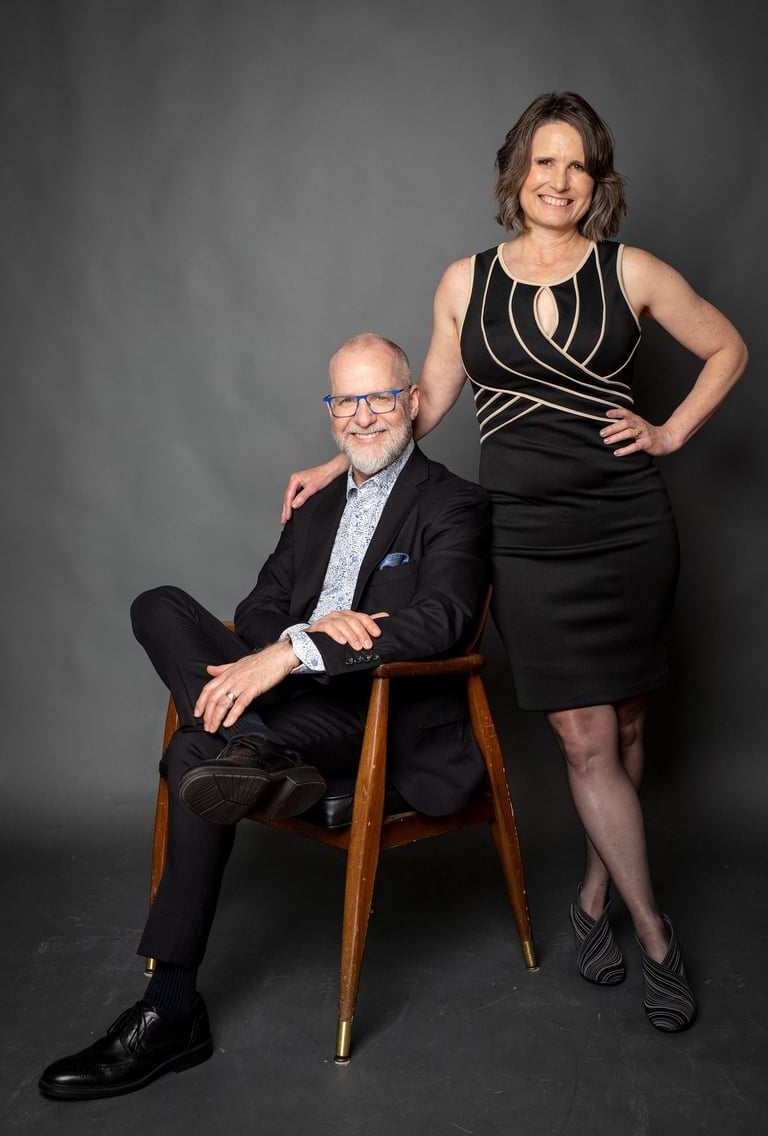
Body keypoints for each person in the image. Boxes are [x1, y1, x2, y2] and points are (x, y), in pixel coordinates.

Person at [281, 94, 748, 1032]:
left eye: (577, 164)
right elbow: (428, 400)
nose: (558, 181)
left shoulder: (630, 270)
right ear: (516, 173)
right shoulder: (466, 281)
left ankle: (593, 898)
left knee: (626, 721)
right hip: (527, 535)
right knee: (582, 737)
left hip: (628, 526)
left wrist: (667, 433)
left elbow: (727, 347)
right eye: (544, 161)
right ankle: (657, 934)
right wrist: (341, 460)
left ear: (596, 180)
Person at [39, 333, 491, 1100]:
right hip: (286, 704)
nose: (361, 416)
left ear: (412, 401)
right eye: (344, 400)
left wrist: (307, 648)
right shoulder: (313, 509)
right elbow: (258, 609)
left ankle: (169, 1009)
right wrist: (294, 640)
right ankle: (251, 752)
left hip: (372, 716)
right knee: (159, 605)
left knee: (193, 750)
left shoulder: (453, 502)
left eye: (379, 396)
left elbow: (442, 618)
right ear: (330, 410)